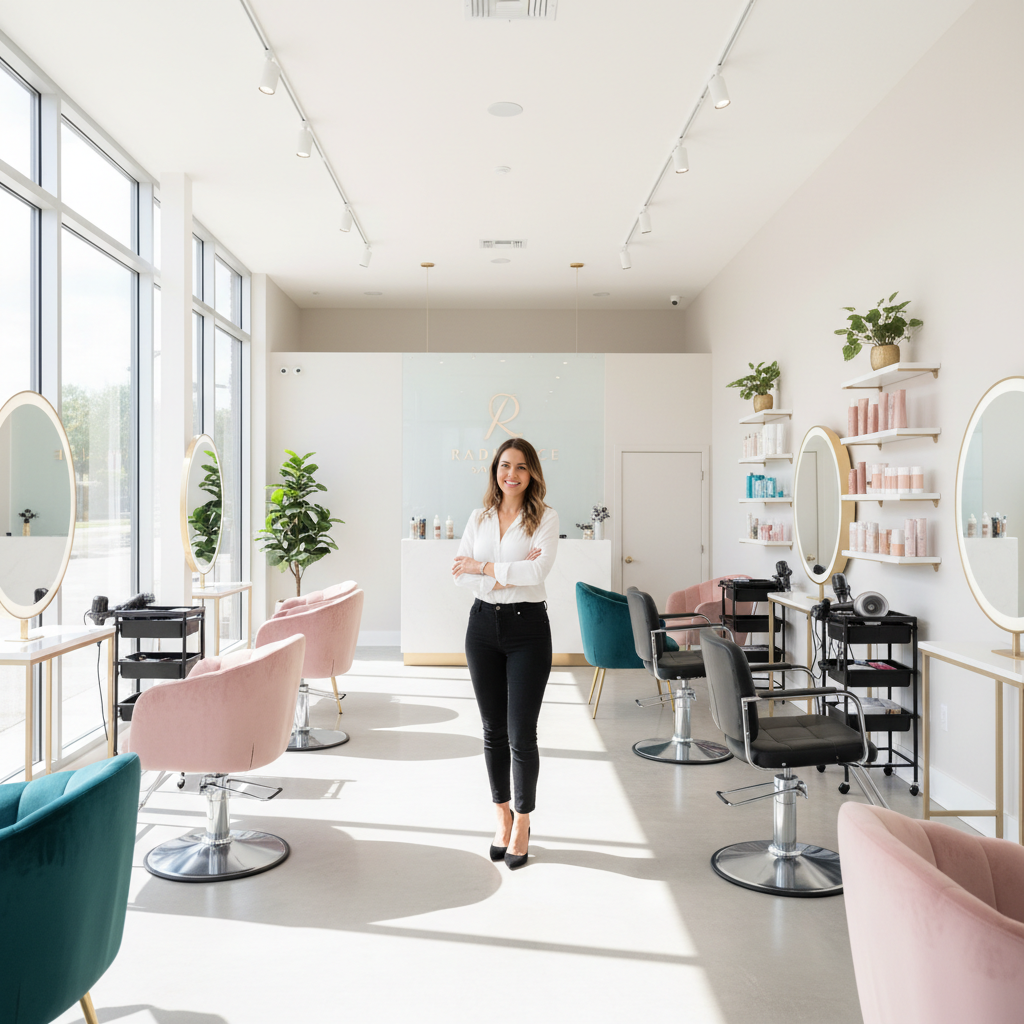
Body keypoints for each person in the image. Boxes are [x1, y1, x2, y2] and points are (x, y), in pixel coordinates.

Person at [451, 438, 559, 870]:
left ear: (531, 472)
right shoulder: (479, 517)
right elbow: (459, 572)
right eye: (503, 465)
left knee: (521, 733)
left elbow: (538, 572)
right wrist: (497, 573)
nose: (510, 473)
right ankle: (501, 813)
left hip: (528, 629)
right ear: (495, 470)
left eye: (519, 467)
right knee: (492, 728)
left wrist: (484, 569)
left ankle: (524, 820)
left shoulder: (545, 518)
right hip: (481, 628)